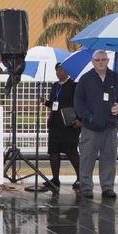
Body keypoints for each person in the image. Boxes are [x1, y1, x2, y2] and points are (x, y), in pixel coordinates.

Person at [73, 50, 118, 199]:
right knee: (87, 158)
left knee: (109, 158)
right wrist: (88, 118)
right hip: (90, 128)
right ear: (92, 62)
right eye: (97, 60)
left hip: (110, 127)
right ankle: (86, 187)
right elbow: (78, 102)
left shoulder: (116, 78)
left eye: (103, 59)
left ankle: (107, 187)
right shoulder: (85, 79)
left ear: (108, 60)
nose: (100, 62)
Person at [44, 62, 81, 190]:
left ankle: (81, 178)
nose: (58, 72)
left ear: (67, 71)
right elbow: (55, 104)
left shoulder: (74, 86)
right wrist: (47, 102)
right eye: (57, 70)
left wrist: (79, 119)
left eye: (61, 70)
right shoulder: (55, 86)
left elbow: (79, 104)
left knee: (71, 152)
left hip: (70, 124)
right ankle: (55, 179)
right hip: (55, 123)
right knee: (53, 152)